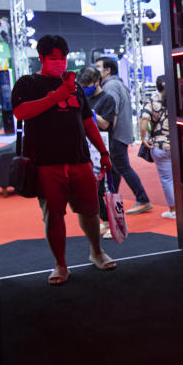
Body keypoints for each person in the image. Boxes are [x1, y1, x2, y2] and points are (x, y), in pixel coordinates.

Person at [12, 35, 116, 285]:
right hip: (46, 163)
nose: (59, 62)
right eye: (53, 58)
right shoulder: (28, 83)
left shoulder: (76, 87)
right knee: (53, 215)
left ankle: (96, 251)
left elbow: (88, 122)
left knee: (90, 211)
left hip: (79, 160)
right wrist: (56, 95)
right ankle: (60, 263)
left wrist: (103, 152)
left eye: (62, 57)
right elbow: (21, 112)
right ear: (42, 58)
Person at [95, 56, 152, 214]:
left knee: (122, 168)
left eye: (98, 67)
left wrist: (107, 132)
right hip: (121, 133)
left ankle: (142, 198)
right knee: (116, 170)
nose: (96, 70)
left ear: (108, 70)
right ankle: (112, 200)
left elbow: (111, 112)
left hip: (116, 135)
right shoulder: (117, 83)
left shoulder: (110, 86)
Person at [78, 66, 115, 239]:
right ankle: (105, 221)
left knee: (105, 188)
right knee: (94, 190)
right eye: (83, 85)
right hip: (87, 149)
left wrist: (91, 114)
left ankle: (112, 222)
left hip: (105, 147)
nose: (86, 88)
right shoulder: (83, 98)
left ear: (97, 81)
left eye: (88, 84)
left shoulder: (107, 99)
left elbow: (106, 124)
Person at [139, 75, 176, 219]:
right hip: (178, 144)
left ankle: (173, 210)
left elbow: (144, 119)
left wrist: (143, 138)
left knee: (167, 179)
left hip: (160, 146)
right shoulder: (177, 98)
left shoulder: (153, 100)